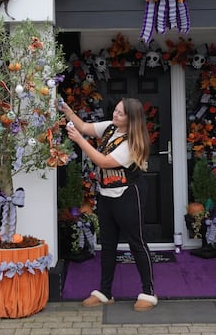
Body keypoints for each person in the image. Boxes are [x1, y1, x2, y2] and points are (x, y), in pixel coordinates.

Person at [59, 97, 158, 311]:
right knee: (108, 244)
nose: (115, 115)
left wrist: (79, 140)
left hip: (128, 194)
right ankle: (105, 292)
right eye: (115, 110)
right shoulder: (110, 128)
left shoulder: (133, 141)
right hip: (106, 194)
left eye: (121, 113)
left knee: (136, 242)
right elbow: (84, 126)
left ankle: (148, 293)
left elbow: (103, 162)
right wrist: (66, 110)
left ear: (131, 119)